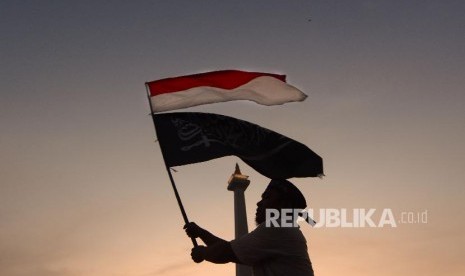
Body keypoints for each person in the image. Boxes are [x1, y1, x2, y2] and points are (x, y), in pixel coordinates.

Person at [184, 179, 315, 276]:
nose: (259, 202)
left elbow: (226, 252)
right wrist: (201, 233)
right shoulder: (284, 230)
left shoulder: (278, 226)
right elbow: (232, 249)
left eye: (267, 197)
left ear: (283, 205)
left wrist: (203, 253)